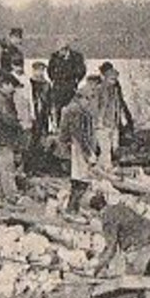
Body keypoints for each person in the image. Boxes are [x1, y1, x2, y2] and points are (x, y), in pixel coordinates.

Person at [0, 67, 32, 201]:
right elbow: (7, 118)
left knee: (0, 167)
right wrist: (20, 124)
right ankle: (11, 195)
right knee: (7, 166)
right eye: (12, 86)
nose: (14, 90)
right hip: (3, 137)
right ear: (5, 84)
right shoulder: (2, 99)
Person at [58, 78, 100, 213]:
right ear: (80, 98)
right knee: (82, 179)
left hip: (79, 147)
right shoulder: (76, 110)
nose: (89, 102)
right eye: (87, 99)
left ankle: (74, 207)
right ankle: (72, 208)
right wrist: (89, 154)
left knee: (78, 178)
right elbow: (79, 134)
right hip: (79, 148)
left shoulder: (76, 109)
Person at [94, 62, 135, 171]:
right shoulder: (99, 89)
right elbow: (97, 107)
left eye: (115, 79)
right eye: (111, 78)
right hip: (102, 124)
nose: (113, 81)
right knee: (105, 148)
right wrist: (98, 122)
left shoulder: (116, 90)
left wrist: (121, 120)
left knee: (114, 147)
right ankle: (105, 168)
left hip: (113, 123)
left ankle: (102, 167)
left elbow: (119, 105)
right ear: (106, 77)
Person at [46, 39, 86, 129]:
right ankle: (60, 128)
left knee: (71, 108)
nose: (60, 52)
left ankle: (71, 128)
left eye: (61, 50)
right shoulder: (54, 56)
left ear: (66, 49)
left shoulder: (77, 57)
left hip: (70, 86)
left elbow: (82, 70)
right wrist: (55, 79)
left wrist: (75, 80)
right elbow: (50, 71)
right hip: (58, 87)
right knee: (58, 109)